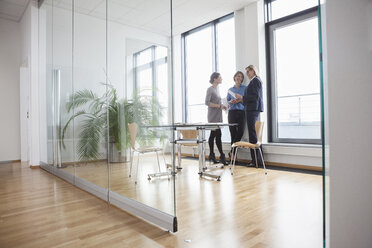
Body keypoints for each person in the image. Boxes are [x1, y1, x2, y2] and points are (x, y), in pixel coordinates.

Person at [236, 65, 264, 167]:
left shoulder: (255, 80)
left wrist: (242, 97)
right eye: (246, 71)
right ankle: (257, 160)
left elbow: (255, 96)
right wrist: (241, 99)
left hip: (252, 109)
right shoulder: (253, 81)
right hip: (251, 108)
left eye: (249, 71)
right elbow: (252, 97)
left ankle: (256, 160)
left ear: (253, 71)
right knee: (253, 134)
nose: (247, 73)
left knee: (253, 135)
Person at [205, 72, 229, 166]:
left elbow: (217, 102)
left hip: (218, 115)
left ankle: (212, 154)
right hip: (212, 115)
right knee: (217, 134)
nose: (221, 79)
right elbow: (207, 102)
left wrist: (222, 105)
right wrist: (219, 106)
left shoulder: (217, 89)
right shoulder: (210, 89)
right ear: (215, 79)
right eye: (220, 77)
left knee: (214, 134)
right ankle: (222, 156)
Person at [227, 71, 246, 160]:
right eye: (237, 76)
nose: (239, 78)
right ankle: (233, 156)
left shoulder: (245, 88)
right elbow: (227, 102)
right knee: (233, 134)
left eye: (241, 77)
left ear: (242, 79)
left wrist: (240, 99)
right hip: (232, 113)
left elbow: (246, 100)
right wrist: (230, 102)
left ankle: (231, 152)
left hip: (241, 112)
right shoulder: (230, 90)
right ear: (234, 78)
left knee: (240, 132)